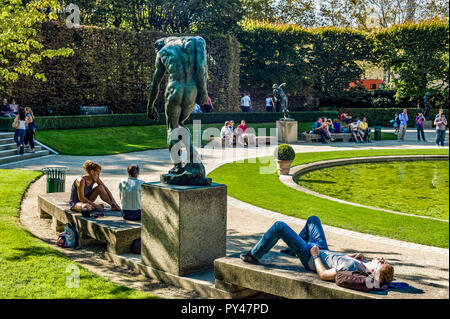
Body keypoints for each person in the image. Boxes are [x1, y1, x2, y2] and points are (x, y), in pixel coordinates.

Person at [240, 217, 394, 287]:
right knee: (313, 220)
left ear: (374, 271)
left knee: (279, 226)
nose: (380, 258)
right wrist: (349, 256)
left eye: (381, 262)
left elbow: (324, 275)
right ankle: (291, 250)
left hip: (310, 255)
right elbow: (336, 260)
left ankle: (254, 255)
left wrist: (315, 256)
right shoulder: (362, 265)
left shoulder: (352, 269)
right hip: (322, 249)